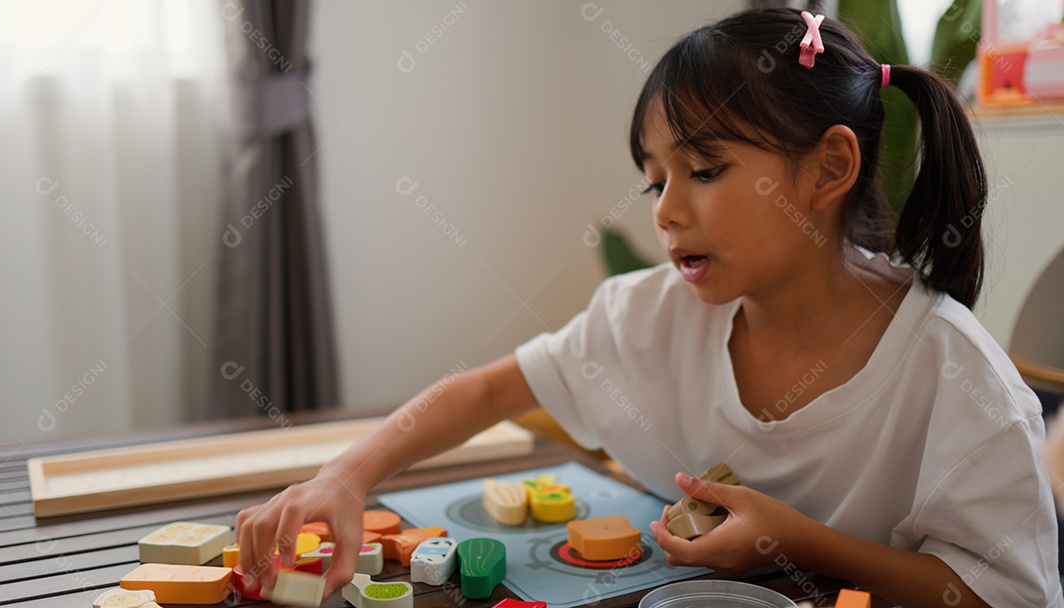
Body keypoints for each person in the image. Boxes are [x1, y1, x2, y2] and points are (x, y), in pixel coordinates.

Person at [235, 8, 1061, 606]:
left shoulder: (957, 381)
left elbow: (1004, 597)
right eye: (653, 178)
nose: (663, 210)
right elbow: (486, 391)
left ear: (828, 169)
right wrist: (345, 476)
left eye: (703, 170)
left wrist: (801, 541)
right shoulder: (650, 313)